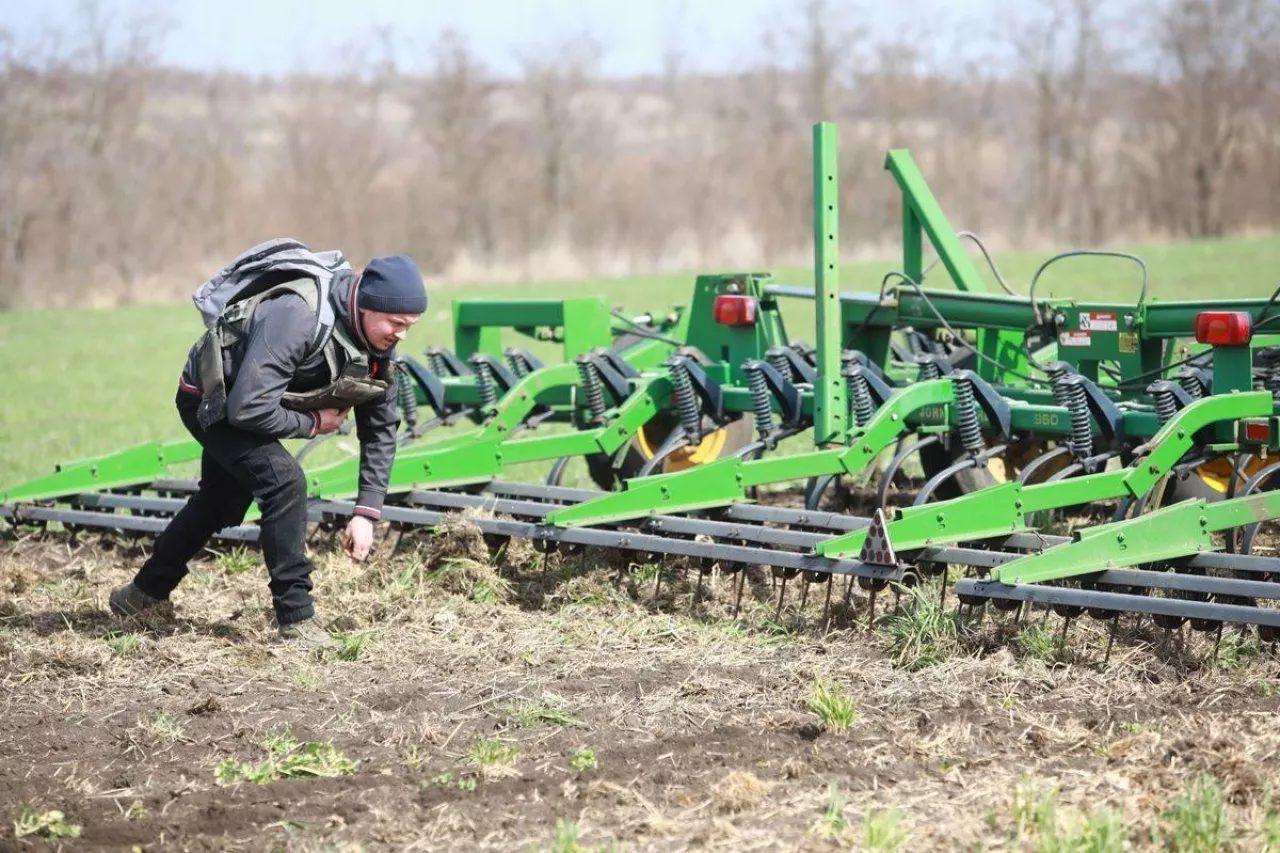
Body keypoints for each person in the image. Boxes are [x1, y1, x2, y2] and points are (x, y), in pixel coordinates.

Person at [108, 251, 427, 646]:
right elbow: (247, 408)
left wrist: (366, 512)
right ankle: (297, 618)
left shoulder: (378, 345)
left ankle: (140, 595)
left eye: (410, 326)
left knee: (219, 503)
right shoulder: (297, 315)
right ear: (366, 304)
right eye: (396, 323)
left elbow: (380, 429)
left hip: (251, 403)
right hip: (213, 399)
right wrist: (313, 424)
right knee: (285, 482)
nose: (402, 335)